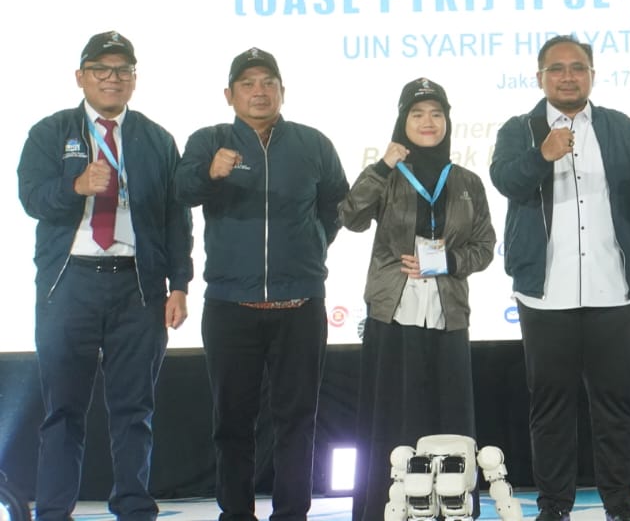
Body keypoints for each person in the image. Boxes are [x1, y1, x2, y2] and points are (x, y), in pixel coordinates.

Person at [489, 35, 630, 521]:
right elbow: (505, 180)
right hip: (546, 293)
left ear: (592, 74)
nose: (567, 77)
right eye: (557, 69)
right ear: (540, 78)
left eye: (577, 67)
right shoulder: (519, 130)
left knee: (616, 406)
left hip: (613, 289)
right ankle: (554, 507)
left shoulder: (624, 130)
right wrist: (542, 154)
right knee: (551, 408)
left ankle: (620, 507)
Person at [18, 31, 193, 521]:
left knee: (134, 409)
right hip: (69, 284)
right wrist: (75, 186)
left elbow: (176, 219)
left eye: (122, 70)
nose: (111, 78)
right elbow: (31, 199)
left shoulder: (157, 140)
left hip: (137, 287)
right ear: (81, 77)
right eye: (101, 69)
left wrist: (179, 284)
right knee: (63, 409)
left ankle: (133, 506)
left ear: (134, 79)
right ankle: (54, 511)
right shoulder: (51, 132)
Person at [175, 47, 349, 521]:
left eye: (268, 82)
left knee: (297, 420)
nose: (259, 91)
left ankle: (292, 513)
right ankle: (236, 513)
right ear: (229, 94)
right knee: (232, 422)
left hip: (300, 305)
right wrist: (211, 173)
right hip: (231, 307)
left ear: (282, 91)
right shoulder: (209, 140)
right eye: (248, 83)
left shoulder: (313, 143)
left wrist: (311, 246)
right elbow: (182, 191)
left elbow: (336, 205)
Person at [339, 78, 496, 521]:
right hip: (394, 315)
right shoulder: (388, 175)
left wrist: (448, 260)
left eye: (437, 114)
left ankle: (453, 511)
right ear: (402, 121)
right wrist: (380, 167)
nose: (428, 122)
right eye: (418, 114)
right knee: (393, 419)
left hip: (448, 315)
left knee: (450, 422)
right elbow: (350, 216)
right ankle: (383, 510)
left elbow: (485, 247)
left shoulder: (467, 181)